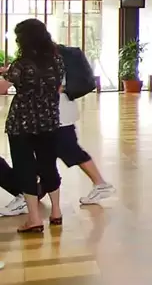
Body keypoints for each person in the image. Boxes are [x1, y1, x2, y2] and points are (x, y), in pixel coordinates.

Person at [0, 62, 116, 218]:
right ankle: (38, 196)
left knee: (62, 152)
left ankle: (30, 195)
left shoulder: (31, 60)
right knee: (57, 153)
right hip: (54, 114)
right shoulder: (52, 57)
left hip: (50, 116)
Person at [3, 19, 64, 234]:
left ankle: (35, 219)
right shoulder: (56, 61)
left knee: (25, 168)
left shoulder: (21, 64)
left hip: (22, 123)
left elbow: (4, 87)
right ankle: (56, 212)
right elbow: (57, 87)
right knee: (49, 165)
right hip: (48, 120)